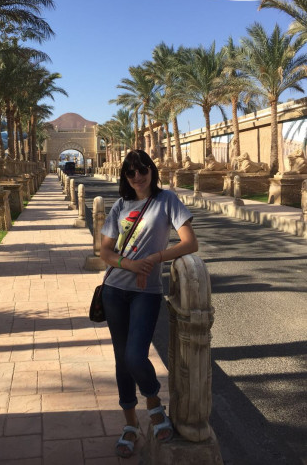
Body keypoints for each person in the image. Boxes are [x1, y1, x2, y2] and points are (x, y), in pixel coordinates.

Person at [100, 149, 198, 458]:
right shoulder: (120, 205)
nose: (137, 176)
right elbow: (105, 251)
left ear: (152, 171)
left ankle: (154, 404)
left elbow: (190, 242)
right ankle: (130, 424)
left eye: (142, 170)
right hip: (114, 290)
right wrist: (129, 264)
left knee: (134, 355)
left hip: (147, 292)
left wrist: (155, 258)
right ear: (125, 177)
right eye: (131, 172)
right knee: (122, 360)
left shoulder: (167, 201)